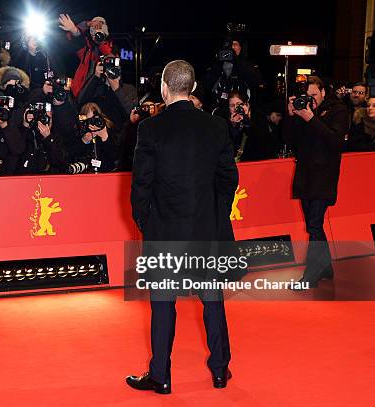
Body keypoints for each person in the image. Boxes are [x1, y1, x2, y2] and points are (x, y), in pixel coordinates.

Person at [127, 60, 239, 394]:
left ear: (164, 87)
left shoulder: (150, 129)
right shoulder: (216, 127)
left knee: (162, 305)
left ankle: (160, 376)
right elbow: (229, 179)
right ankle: (220, 371)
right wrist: (213, 215)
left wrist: (149, 224)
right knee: (213, 300)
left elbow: (140, 189)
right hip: (205, 230)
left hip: (165, 232)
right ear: (190, 88)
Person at [282, 76, 350, 288]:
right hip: (305, 175)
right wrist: (292, 115)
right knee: (314, 225)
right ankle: (326, 267)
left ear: (322, 92)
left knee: (314, 224)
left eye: (313, 95)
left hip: (324, 176)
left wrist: (311, 118)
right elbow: (287, 139)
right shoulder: (302, 113)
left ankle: (311, 275)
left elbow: (335, 141)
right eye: (306, 96)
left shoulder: (338, 111)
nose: (310, 100)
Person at [58, 14, 115, 99]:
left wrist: (101, 41)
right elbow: (76, 39)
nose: (97, 30)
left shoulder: (111, 48)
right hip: (81, 93)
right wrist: (84, 26)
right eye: (94, 28)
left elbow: (110, 58)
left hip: (100, 96)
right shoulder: (87, 49)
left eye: (100, 27)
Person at [66, 102, 118, 173]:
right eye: (88, 120)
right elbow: (69, 155)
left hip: (106, 173)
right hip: (85, 174)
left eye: (94, 119)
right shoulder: (78, 132)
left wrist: (105, 137)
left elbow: (115, 156)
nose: (91, 123)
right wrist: (83, 141)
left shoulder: (108, 129)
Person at [227, 91, 278, 162]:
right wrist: (233, 126)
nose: (236, 108)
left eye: (238, 104)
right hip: (240, 163)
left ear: (246, 104)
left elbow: (262, 142)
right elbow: (229, 146)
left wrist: (246, 120)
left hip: (259, 161)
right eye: (232, 106)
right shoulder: (227, 121)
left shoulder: (258, 116)